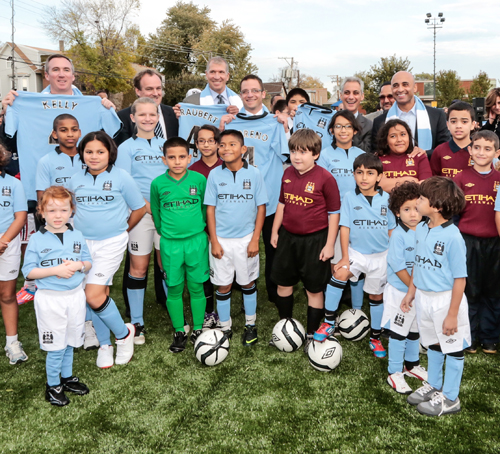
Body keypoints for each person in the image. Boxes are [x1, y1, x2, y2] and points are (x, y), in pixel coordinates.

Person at [69, 131, 145, 369]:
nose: (94, 156)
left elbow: (139, 208)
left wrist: (123, 230)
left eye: (100, 152)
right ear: (81, 153)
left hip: (111, 243)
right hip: (81, 245)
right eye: (89, 151)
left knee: (93, 295)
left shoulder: (122, 177)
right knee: (95, 295)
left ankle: (123, 335)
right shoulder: (74, 179)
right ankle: (105, 344)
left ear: (110, 153)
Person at [315, 153, 396, 360]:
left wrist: (393, 256)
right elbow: (345, 227)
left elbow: (391, 230)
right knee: (339, 274)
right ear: (353, 175)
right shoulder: (350, 198)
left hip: (381, 255)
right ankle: (329, 321)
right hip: (356, 253)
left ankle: (375, 337)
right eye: (359, 172)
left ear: (379, 177)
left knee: (376, 297)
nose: (364, 177)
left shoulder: (387, 199)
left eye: (370, 173)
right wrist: (343, 256)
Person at [402, 177, 469, 417]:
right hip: (423, 298)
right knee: (432, 344)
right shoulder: (420, 227)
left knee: (452, 348)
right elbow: (418, 264)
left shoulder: (453, 237)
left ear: (437, 207)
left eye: (421, 198)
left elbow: (460, 279)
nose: (417, 202)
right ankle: (435, 384)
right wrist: (411, 291)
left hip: (446, 301)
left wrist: (452, 314)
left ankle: (451, 398)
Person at [221, 75, 289, 306]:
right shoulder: (231, 122)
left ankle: (273, 290)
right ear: (240, 95)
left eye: (254, 90)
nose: (249, 94)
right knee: (240, 244)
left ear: (263, 94)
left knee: (272, 246)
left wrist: (285, 123)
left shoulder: (275, 123)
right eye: (245, 91)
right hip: (239, 198)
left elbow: (286, 155)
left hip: (268, 197)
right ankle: (241, 285)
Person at [271, 129, 340, 351]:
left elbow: (334, 214)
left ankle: (311, 333)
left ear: (316, 154)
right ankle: (285, 326)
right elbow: (282, 204)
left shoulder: (326, 178)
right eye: (293, 151)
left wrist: (330, 244)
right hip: (288, 238)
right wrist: (275, 231)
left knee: (314, 288)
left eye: (303, 152)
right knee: (283, 283)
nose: (297, 157)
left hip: (315, 240)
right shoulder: (287, 173)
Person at [22, 186, 92, 406]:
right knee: (56, 345)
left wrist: (79, 265)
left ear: (71, 210)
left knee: (71, 340)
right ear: (42, 212)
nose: (58, 215)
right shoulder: (36, 239)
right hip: (50, 299)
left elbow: (88, 262)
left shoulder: (77, 235)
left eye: (63, 210)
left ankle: (67, 377)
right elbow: (29, 272)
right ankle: (53, 385)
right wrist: (55, 271)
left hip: (75, 296)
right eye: (52, 211)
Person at [205, 129, 267, 344]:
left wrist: (254, 239)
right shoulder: (214, 174)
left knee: (248, 282)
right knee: (223, 285)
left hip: (245, 239)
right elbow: (210, 209)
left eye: (232, 144)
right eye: (222, 144)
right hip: (221, 240)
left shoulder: (255, 173)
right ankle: (225, 327)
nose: (226, 148)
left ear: (243, 149)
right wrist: (214, 241)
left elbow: (261, 208)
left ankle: (250, 324)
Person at [115, 98, 168, 345]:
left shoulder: (166, 145)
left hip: (167, 214)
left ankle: (174, 312)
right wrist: (148, 208)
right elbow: (126, 184)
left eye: (152, 114)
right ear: (132, 118)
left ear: (157, 117)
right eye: (142, 115)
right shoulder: (125, 148)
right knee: (138, 267)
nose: (148, 119)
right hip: (140, 215)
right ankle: (137, 321)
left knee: (167, 264)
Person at [150, 137, 209, 353]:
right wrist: (165, 231)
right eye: (172, 157)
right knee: (174, 288)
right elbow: (156, 212)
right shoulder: (158, 184)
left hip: (196, 241)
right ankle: (179, 330)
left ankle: (198, 329)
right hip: (171, 244)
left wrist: (199, 229)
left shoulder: (199, 180)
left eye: (182, 157)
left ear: (189, 157)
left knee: (196, 287)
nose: (177, 162)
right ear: (164, 160)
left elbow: (205, 208)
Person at [455, 130, 500, 354]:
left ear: (496, 153)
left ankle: (490, 337)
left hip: (495, 243)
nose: (482, 152)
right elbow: (453, 214)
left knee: (493, 290)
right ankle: (469, 336)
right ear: (470, 150)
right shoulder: (461, 178)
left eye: (488, 148)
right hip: (467, 241)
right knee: (469, 290)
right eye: (477, 148)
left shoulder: (499, 180)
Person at [316, 110, 366, 314]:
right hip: (335, 217)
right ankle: (332, 314)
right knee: (337, 265)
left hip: (359, 216)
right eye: (338, 126)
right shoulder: (325, 155)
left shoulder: (362, 155)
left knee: (358, 263)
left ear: (354, 130)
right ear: (331, 130)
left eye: (347, 126)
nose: (343, 130)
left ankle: (357, 312)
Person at [382, 182, 427, 394]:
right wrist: (412, 288)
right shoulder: (398, 235)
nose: (412, 214)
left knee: (415, 329)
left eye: (416, 208)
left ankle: (411, 365)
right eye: (406, 209)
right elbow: (398, 266)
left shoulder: (427, 230)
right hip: (400, 292)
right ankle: (394, 372)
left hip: (418, 291)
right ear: (397, 213)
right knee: (399, 332)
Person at [189, 125, 223, 330]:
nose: (206, 144)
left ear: (218, 143)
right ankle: (209, 311)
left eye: (211, 140)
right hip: (202, 230)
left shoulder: (228, 166)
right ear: (196, 144)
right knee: (206, 271)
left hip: (227, 228)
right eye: (202, 141)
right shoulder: (191, 170)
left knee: (225, 271)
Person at [372, 71, 449, 157]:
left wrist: (425, 153)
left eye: (405, 84)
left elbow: (445, 148)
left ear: (415, 87)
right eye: (395, 85)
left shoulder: (436, 115)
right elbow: (376, 153)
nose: (400, 89)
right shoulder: (379, 122)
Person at [0, 143, 28, 365]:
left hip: (7, 243)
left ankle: (12, 342)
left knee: (7, 295)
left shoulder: (14, 184)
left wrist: (4, 240)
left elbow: (20, 217)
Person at [115, 69, 178, 146]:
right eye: (149, 89)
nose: (155, 93)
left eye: (158, 88)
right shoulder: (122, 118)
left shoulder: (175, 114)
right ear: (138, 91)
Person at [376, 119, 432, 193]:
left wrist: (392, 183)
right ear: (386, 141)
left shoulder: (419, 157)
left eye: (403, 134)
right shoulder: (378, 159)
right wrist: (410, 181)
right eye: (393, 136)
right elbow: (379, 186)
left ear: (409, 137)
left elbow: (426, 186)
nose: (399, 139)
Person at [36, 114, 83, 200]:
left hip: (86, 212)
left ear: (79, 133)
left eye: (74, 130)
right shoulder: (46, 161)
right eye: (64, 130)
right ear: (55, 134)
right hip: (59, 213)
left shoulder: (90, 159)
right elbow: (42, 199)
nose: (70, 134)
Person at [430, 102, 475, 178]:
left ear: (472, 125)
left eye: (464, 122)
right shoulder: (439, 151)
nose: (458, 126)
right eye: (453, 121)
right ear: (448, 125)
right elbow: (432, 182)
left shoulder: (479, 151)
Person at [339, 77, 373, 153]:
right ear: (341, 95)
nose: (351, 97)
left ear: (362, 96)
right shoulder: (331, 122)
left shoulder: (369, 125)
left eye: (355, 93)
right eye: (347, 93)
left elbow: (367, 153)